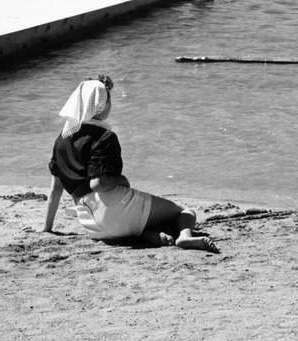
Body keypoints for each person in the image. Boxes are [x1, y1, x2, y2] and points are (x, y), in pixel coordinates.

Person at [42, 76, 218, 252]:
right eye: (108, 101)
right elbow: (98, 184)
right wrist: (121, 180)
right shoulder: (104, 136)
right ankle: (184, 236)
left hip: (91, 224)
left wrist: (47, 228)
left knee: (131, 220)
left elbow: (55, 191)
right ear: (101, 105)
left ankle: (143, 234)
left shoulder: (60, 141)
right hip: (113, 208)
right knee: (183, 212)